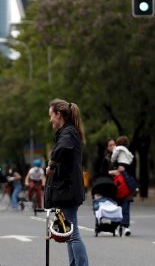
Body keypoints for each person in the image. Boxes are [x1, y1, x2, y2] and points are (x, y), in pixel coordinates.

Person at [45, 98, 88, 266]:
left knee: (73, 234)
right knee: (69, 233)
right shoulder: (69, 132)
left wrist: (51, 165)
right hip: (68, 190)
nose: (50, 120)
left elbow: (62, 148)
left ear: (59, 114)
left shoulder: (68, 132)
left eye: (51, 115)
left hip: (68, 190)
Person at [108, 136, 135, 236]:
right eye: (110, 145)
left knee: (121, 206)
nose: (113, 147)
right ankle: (124, 226)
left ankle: (119, 226)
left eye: (113, 144)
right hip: (123, 183)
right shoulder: (128, 153)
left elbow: (113, 158)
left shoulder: (117, 153)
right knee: (123, 208)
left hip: (120, 184)